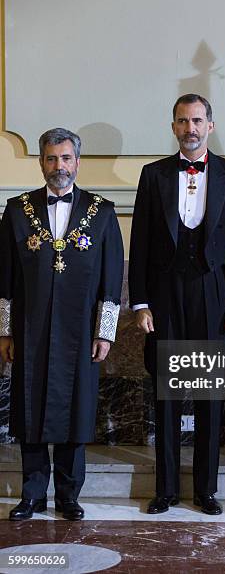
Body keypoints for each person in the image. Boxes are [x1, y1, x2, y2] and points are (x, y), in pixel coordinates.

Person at [128, 94, 225, 515]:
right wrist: (141, 302)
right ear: (173, 127)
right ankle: (166, 489)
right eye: (183, 121)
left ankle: (206, 490)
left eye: (197, 120)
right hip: (164, 298)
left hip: (214, 296)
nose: (190, 129)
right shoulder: (153, 175)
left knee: (209, 395)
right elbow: (141, 244)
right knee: (166, 393)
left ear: (211, 126)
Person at [0, 128, 124, 521]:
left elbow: (111, 277)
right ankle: (32, 494)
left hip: (80, 332)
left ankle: (69, 495)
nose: (59, 167)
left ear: (78, 162)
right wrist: (5, 330)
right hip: (30, 329)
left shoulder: (102, 211)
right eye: (52, 159)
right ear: (40, 162)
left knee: (77, 411)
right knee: (30, 409)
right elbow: (4, 278)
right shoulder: (17, 210)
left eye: (66, 158)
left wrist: (105, 332)